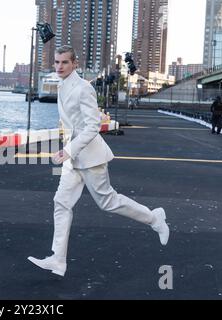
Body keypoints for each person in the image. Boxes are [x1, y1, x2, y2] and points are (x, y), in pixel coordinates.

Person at [27, 46, 170, 277]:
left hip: (91, 157)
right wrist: (67, 151)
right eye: (56, 62)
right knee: (61, 203)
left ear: (74, 63)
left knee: (108, 202)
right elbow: (71, 125)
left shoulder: (84, 88)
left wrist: (69, 150)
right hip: (72, 159)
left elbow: (93, 126)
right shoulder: (62, 85)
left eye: (64, 62)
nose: (59, 66)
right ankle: (58, 260)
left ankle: (155, 219)